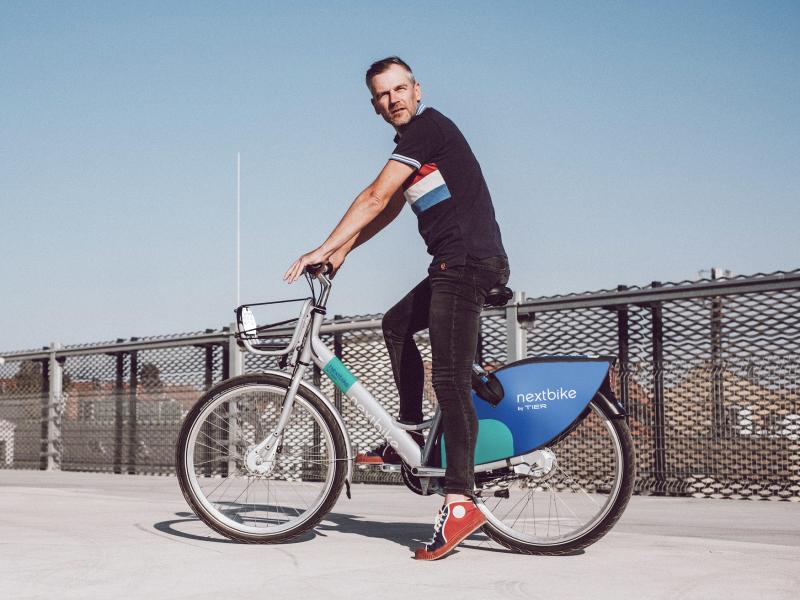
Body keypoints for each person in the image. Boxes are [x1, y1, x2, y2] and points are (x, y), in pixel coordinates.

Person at [284, 56, 509, 561]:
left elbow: (373, 194)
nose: (395, 99)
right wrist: (343, 250)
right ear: (375, 106)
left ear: (418, 90)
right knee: (396, 325)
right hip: (456, 263)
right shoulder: (411, 146)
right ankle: (408, 434)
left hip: (466, 263)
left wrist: (321, 246)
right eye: (385, 95)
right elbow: (386, 208)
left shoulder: (429, 127)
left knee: (448, 378)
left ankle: (460, 501)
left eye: (402, 89)